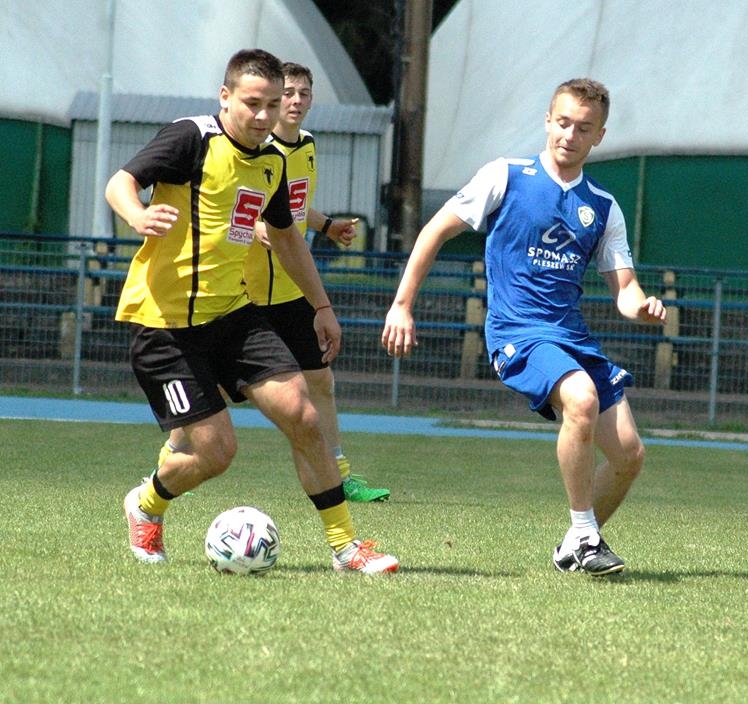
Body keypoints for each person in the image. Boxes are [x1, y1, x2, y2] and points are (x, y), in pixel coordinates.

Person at [107, 48, 398, 574]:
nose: (264, 115)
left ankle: (346, 547)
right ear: (226, 96)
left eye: (272, 104)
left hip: (233, 316)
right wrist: (138, 215)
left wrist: (321, 305)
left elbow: (287, 237)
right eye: (252, 103)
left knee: (304, 414)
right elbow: (120, 182)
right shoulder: (191, 138)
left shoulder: (271, 162)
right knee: (216, 453)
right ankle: (146, 505)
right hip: (165, 327)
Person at [381, 78, 666, 576]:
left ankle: (573, 546)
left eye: (584, 128)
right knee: (581, 399)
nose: (570, 135)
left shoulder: (603, 207)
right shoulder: (506, 176)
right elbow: (435, 230)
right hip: (517, 331)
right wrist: (402, 304)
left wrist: (640, 307)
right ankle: (585, 536)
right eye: (563, 123)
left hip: (571, 337)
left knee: (630, 455)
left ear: (599, 136)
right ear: (547, 121)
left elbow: (625, 288)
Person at [157, 62, 391, 503]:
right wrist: (258, 229)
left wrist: (326, 226)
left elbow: (293, 209)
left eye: (304, 93)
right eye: (289, 94)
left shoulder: (306, 146)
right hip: (244, 294)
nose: (296, 101)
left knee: (319, 383)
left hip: (289, 291)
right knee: (215, 389)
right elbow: (243, 212)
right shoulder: (255, 150)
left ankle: (340, 475)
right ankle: (169, 462)